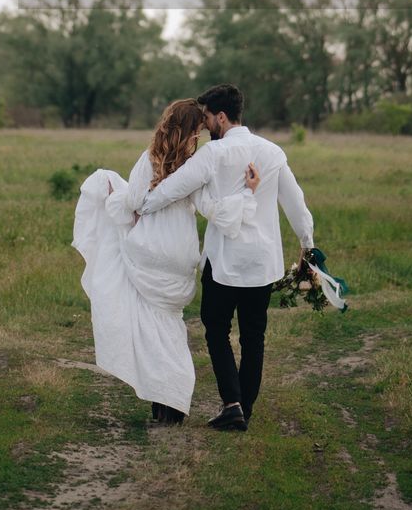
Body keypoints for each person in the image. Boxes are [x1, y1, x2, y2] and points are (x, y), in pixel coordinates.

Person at [136, 83, 314, 433]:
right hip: (263, 265)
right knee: (253, 337)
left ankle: (232, 403)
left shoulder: (212, 157)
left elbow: (173, 188)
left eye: (205, 119)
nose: (203, 127)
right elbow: (296, 203)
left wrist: (142, 205)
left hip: (223, 264)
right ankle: (243, 408)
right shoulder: (272, 152)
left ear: (221, 116)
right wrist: (308, 245)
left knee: (216, 331)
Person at [72, 98, 260, 425]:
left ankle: (164, 400)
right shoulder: (192, 168)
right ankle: (169, 401)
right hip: (180, 257)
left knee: (148, 326)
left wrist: (116, 194)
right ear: (187, 132)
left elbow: (133, 202)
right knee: (170, 327)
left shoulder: (149, 160)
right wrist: (247, 193)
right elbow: (213, 210)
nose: (197, 139)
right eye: (196, 133)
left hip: (147, 251)